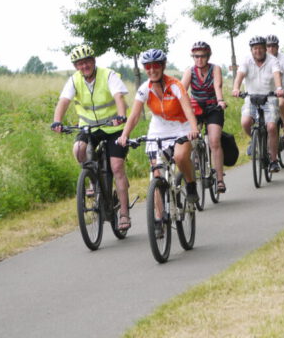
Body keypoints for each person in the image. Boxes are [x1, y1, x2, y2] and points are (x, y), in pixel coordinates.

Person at [51, 44, 131, 230]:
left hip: (113, 129)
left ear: (94, 61)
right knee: (78, 149)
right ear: (76, 66)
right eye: (80, 63)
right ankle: (94, 182)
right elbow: (64, 101)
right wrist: (57, 121)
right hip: (89, 128)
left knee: (117, 167)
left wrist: (120, 117)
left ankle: (125, 215)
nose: (84, 66)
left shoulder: (108, 75)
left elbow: (119, 97)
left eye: (87, 61)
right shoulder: (74, 80)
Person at [117, 49, 200, 208]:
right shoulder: (144, 88)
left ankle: (190, 184)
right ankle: (158, 220)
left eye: (155, 65)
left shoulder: (175, 85)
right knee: (156, 174)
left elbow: (188, 109)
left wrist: (194, 128)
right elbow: (134, 116)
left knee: (180, 157)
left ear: (163, 66)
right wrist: (124, 135)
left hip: (181, 126)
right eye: (148, 66)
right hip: (159, 127)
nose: (152, 70)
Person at [232, 36, 284, 173]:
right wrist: (236, 88)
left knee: (272, 127)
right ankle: (254, 141)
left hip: (269, 98)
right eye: (255, 48)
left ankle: (273, 160)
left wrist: (279, 88)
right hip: (251, 98)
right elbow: (240, 75)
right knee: (245, 122)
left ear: (265, 49)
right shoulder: (246, 60)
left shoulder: (273, 61)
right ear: (251, 50)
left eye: (261, 48)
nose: (258, 51)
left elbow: (277, 75)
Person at [181, 41, 227, 194]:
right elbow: (181, 90)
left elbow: (217, 86)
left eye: (202, 56)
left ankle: (220, 179)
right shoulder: (190, 71)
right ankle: (195, 158)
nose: (199, 60)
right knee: (192, 136)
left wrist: (220, 101)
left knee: (214, 141)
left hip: (214, 107)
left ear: (208, 56)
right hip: (196, 108)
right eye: (196, 57)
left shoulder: (215, 69)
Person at [265, 35, 284, 142]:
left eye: (273, 46)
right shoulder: (262, 59)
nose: (270, 48)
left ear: (277, 47)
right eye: (268, 46)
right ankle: (257, 137)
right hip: (266, 91)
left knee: (281, 103)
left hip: (282, 90)